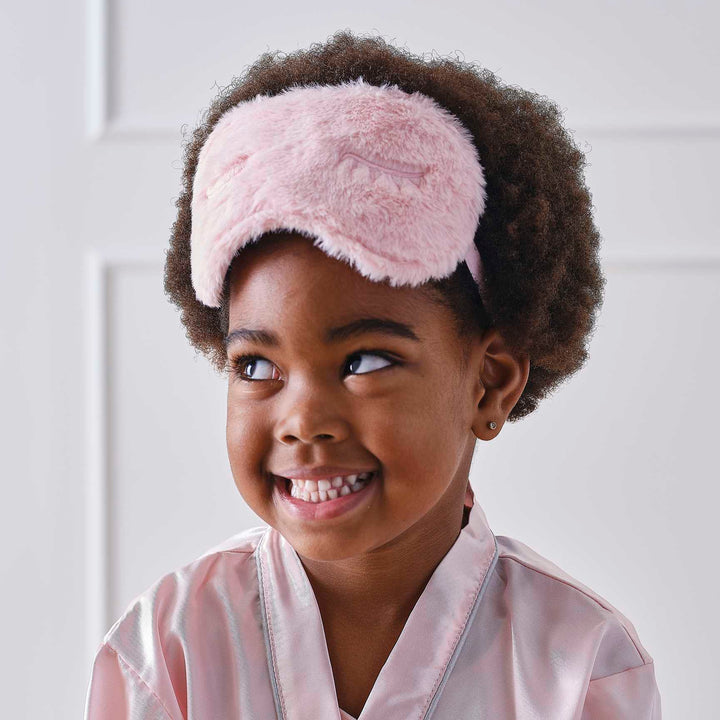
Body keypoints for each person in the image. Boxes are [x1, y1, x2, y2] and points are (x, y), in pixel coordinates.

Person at [83, 30, 661, 719]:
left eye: (364, 361)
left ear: (491, 382)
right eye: (257, 366)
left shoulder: (581, 666)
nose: (303, 422)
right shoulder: (167, 649)